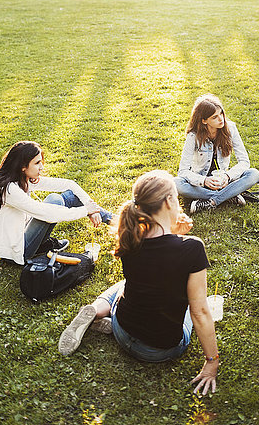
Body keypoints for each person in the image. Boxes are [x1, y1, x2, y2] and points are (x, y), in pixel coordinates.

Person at [58, 170, 219, 396]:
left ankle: (96, 310)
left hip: (123, 331)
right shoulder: (192, 248)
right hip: (159, 350)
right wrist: (212, 362)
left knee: (127, 284)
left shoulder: (131, 236)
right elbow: (199, 312)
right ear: (168, 201)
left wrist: (173, 232)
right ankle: (103, 316)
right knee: (198, 306)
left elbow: (159, 253)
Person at [0, 141, 112, 265]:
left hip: (19, 237)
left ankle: (116, 220)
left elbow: (68, 184)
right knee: (54, 202)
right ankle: (118, 222)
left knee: (56, 198)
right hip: (16, 252)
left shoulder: (20, 178)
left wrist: (92, 209)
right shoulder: (9, 189)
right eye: (37, 163)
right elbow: (46, 214)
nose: (41, 166)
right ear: (22, 166)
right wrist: (85, 210)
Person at [175, 94, 259, 214]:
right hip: (201, 183)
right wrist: (204, 180)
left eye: (221, 114)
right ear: (204, 121)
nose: (221, 119)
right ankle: (229, 195)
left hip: (224, 181)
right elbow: (183, 171)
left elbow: (244, 161)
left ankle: (211, 201)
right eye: (215, 117)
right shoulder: (193, 136)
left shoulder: (230, 128)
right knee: (176, 183)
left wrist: (228, 176)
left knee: (254, 174)